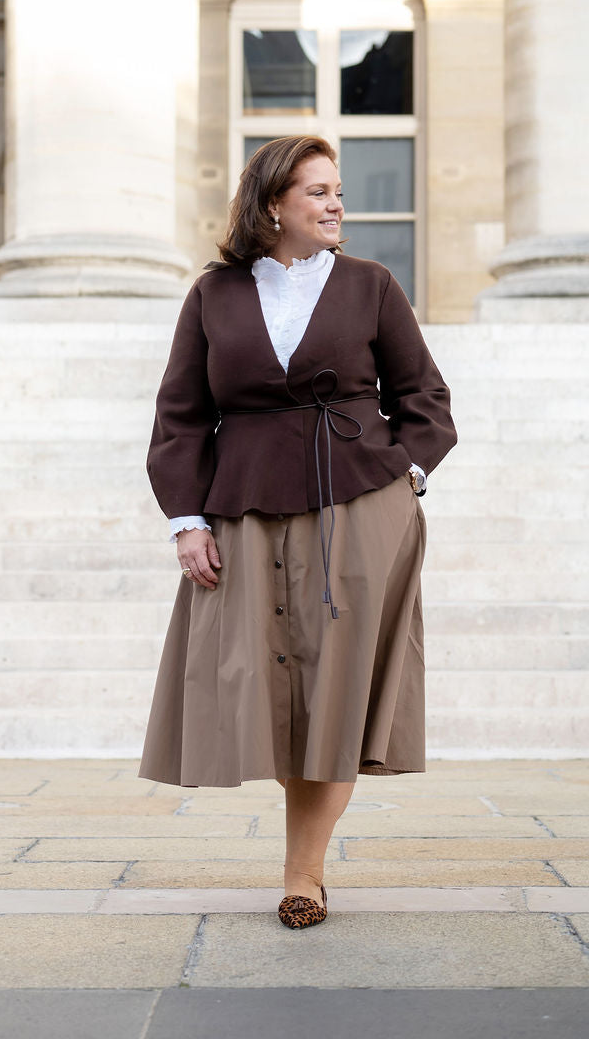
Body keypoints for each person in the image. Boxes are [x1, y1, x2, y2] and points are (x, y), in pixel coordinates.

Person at [137, 135, 457, 929]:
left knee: (338, 692)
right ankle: (303, 863)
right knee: (276, 692)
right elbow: (180, 414)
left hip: (357, 508)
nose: (335, 204)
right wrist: (185, 519)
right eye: (317, 191)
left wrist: (403, 480)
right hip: (244, 509)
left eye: (337, 190)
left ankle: (303, 875)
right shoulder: (214, 295)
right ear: (272, 202)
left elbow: (425, 396)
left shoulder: (371, 286)